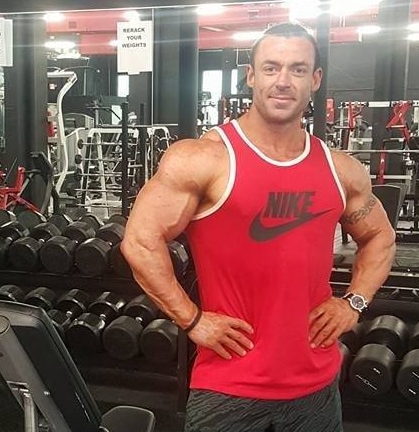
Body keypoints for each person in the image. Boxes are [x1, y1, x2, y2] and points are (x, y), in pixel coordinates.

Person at [121, 23, 396, 432]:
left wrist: (352, 302)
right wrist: (194, 320)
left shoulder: (340, 169)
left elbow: (380, 237)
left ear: (315, 80)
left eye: (298, 69)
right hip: (229, 388)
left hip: (317, 388)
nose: (283, 81)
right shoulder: (203, 159)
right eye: (271, 68)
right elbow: (140, 243)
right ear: (251, 76)